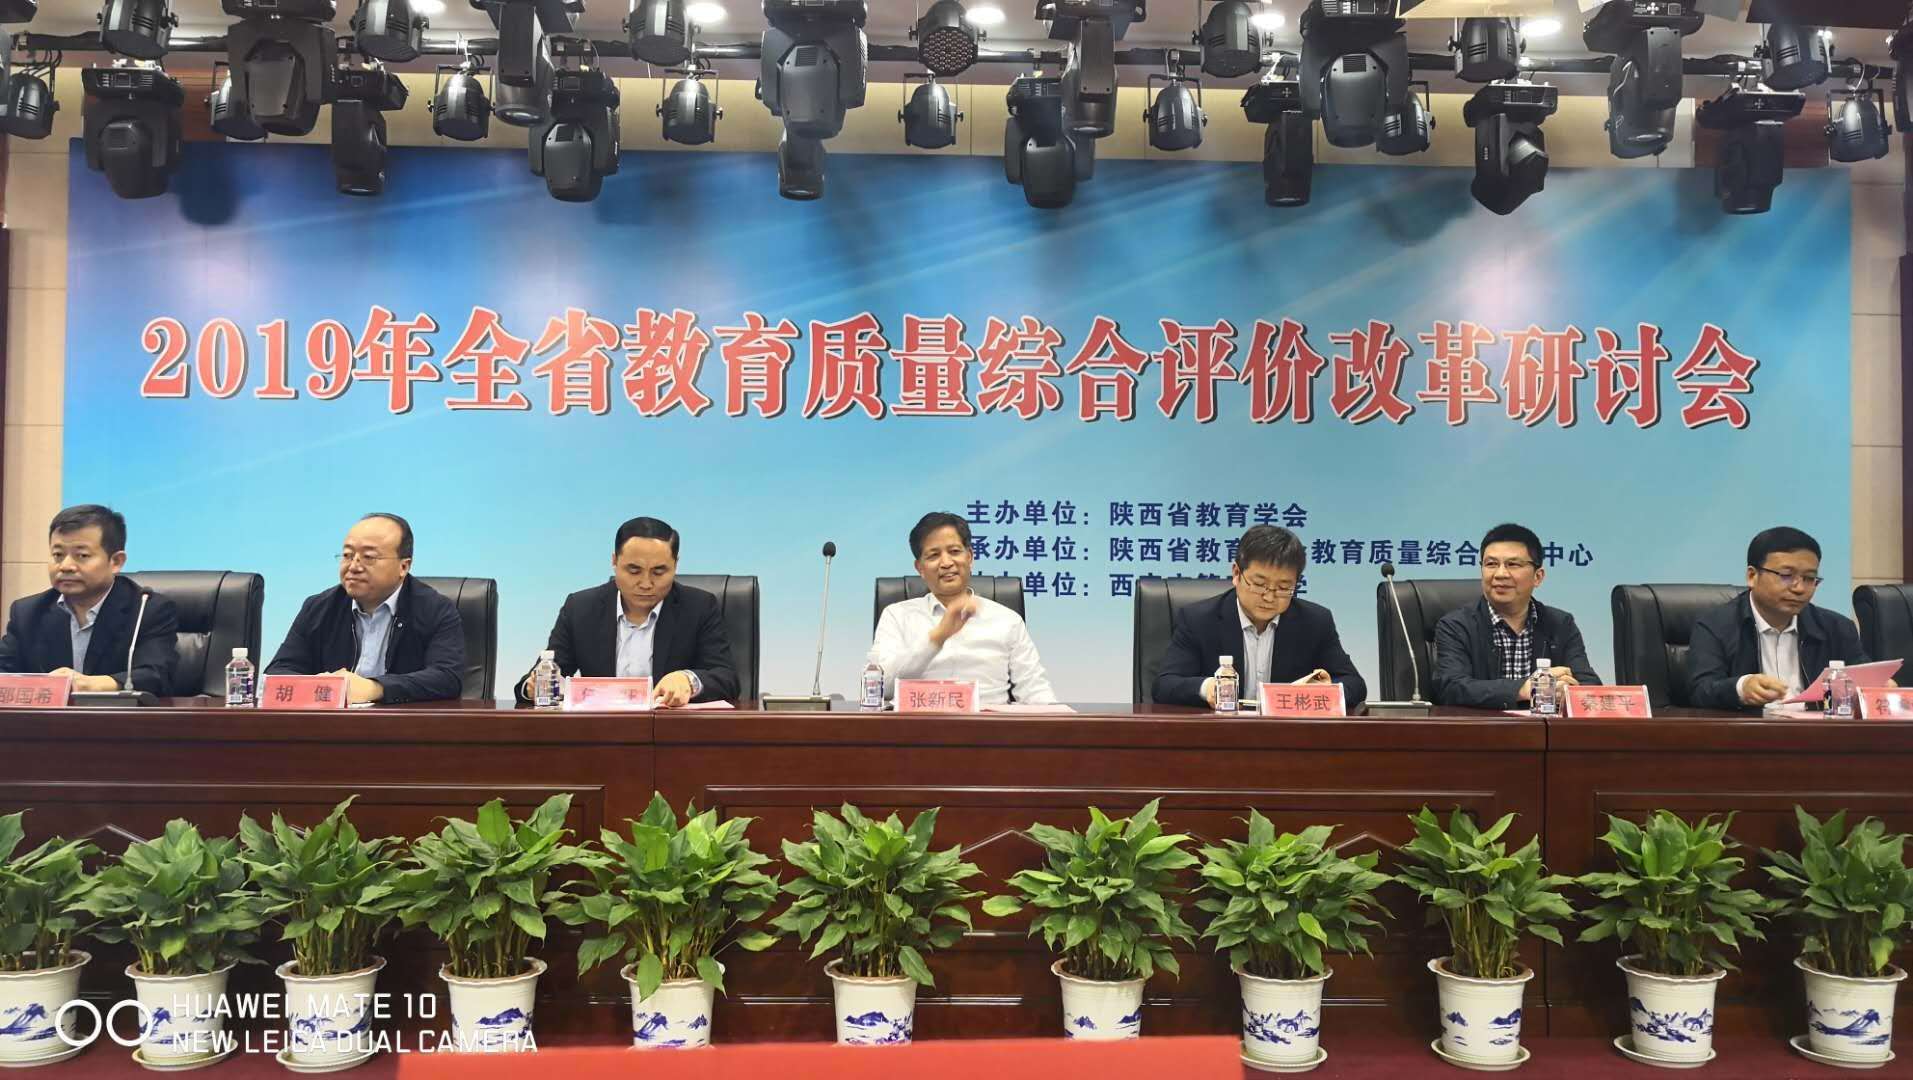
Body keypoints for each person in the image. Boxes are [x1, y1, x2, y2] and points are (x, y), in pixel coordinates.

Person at [515, 517, 738, 707]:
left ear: (675, 565)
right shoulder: (580, 608)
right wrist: (533, 687)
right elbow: (542, 675)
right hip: (598, 733)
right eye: (634, 570)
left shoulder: (699, 607)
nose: (646, 583)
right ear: (614, 561)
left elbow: (727, 679)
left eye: (659, 572)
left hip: (671, 733)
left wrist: (689, 680)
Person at [1151, 525, 1365, 710]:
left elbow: (1354, 684)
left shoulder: (1315, 622)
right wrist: (1207, 688)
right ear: (1236, 573)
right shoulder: (1198, 620)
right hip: (1219, 735)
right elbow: (1164, 685)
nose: (1269, 597)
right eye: (1260, 584)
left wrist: (1327, 690)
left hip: (1288, 736)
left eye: (1283, 587)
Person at [266, 513, 465, 705]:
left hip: (402, 724)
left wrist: (375, 688)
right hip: (331, 723)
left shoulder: (435, 609)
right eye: (347, 555)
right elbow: (278, 672)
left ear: (403, 566)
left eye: (369, 557)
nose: (353, 566)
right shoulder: (319, 608)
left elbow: (447, 677)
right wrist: (319, 686)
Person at [869, 511, 1057, 706]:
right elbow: (880, 687)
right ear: (920, 568)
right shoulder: (897, 616)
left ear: (970, 557)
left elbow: (1034, 689)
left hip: (989, 723)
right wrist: (936, 638)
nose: (946, 563)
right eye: (934, 555)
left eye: (954, 551)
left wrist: (1060, 719)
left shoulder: (1008, 620)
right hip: (920, 723)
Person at [1686, 526, 1872, 711]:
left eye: (1809, 578)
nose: (1799, 588)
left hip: (1816, 728)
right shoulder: (1715, 626)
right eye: (1786, 576)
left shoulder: (1837, 628)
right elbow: (1700, 691)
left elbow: (1866, 681)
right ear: (1752, 576)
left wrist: (1877, 688)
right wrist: (1741, 688)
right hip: (1751, 728)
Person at [0, 504, 178, 693]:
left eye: (82, 555)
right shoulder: (28, 612)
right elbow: (4, 673)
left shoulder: (147, 610)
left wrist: (91, 684)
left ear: (116, 562)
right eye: (58, 555)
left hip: (118, 713)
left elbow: (156, 674)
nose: (66, 566)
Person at [1431, 522, 1601, 709]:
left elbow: (1589, 684)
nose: (1500, 574)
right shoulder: (1456, 626)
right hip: (1481, 726)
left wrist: (1567, 691)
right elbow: (1450, 687)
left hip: (1544, 727)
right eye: (1491, 564)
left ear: (1538, 576)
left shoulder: (1561, 624)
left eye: (1512, 564)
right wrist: (1523, 689)